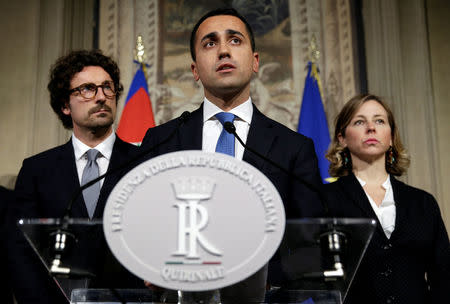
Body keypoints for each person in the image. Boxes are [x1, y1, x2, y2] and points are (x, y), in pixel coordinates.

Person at [140, 7, 323, 302]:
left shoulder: (294, 149)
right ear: (195, 70)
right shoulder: (161, 141)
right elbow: (142, 226)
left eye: (235, 40)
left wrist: (257, 278)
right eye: (210, 43)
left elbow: (310, 243)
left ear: (254, 62)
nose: (223, 51)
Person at [9, 50, 142, 303]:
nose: (102, 96)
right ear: (64, 105)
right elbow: (21, 253)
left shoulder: (143, 162)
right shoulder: (37, 170)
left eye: (107, 87)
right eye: (87, 89)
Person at [324, 94, 450, 304]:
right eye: (359, 121)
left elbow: (444, 278)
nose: (371, 128)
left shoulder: (423, 203)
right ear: (342, 138)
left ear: (391, 137)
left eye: (379, 121)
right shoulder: (324, 200)